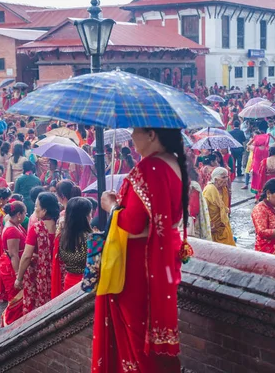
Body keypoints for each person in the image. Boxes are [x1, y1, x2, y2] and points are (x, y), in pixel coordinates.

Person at [95, 128, 190, 372]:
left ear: (151, 135)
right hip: (164, 256)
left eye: (136, 131)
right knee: (150, 334)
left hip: (140, 262)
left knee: (137, 335)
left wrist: (112, 205)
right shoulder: (174, 162)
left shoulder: (149, 168)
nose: (131, 137)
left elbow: (134, 223)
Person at [15, 192, 59, 315]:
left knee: (34, 305)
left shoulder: (36, 228)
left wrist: (19, 278)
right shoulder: (61, 225)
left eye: (36, 207)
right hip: (56, 272)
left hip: (37, 274)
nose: (35, 209)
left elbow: (27, 255)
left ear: (44, 210)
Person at [0, 201, 27, 326]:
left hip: (12, 263)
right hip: (12, 267)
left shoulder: (13, 223)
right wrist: (18, 276)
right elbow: (14, 255)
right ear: (19, 214)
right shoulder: (12, 231)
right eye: (24, 213)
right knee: (15, 297)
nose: (26, 216)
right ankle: (11, 324)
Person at [58, 197, 91, 294]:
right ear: (85, 216)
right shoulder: (90, 238)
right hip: (86, 282)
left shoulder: (62, 236)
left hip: (69, 280)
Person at [203, 167, 235, 246]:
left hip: (224, 226)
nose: (226, 179)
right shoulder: (209, 190)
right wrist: (209, 223)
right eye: (223, 177)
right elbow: (204, 208)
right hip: (213, 228)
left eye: (227, 177)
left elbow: (224, 206)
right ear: (216, 179)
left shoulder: (224, 189)